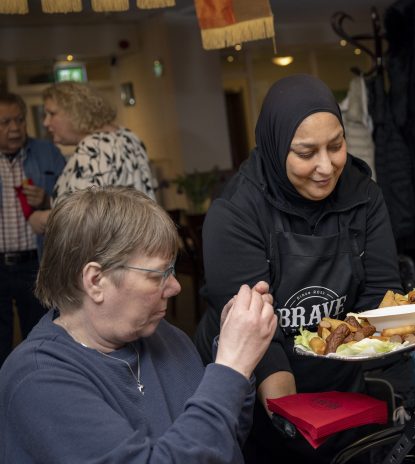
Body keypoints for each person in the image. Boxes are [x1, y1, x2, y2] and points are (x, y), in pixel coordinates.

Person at [194, 74, 402, 463]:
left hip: (343, 384)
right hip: (264, 388)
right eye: (306, 153)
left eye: (336, 146)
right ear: (275, 148)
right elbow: (256, 335)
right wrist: (292, 418)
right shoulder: (236, 212)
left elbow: (380, 295)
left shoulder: (363, 195)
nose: (326, 166)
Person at [0, 186, 276, 462]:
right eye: (159, 274)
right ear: (96, 281)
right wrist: (230, 368)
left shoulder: (166, 337)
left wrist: (235, 361)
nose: (176, 287)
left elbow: (224, 441)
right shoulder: (38, 379)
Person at [28, 81, 157, 235]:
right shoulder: (128, 137)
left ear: (75, 112)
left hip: (108, 254)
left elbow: (84, 218)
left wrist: (41, 218)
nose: (46, 122)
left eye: (52, 113)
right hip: (139, 244)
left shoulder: (92, 148)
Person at [0, 92, 65, 366]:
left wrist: (48, 200)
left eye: (19, 120)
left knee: (41, 340)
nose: (15, 128)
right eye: (5, 122)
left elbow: (73, 203)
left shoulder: (47, 152)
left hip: (37, 264)